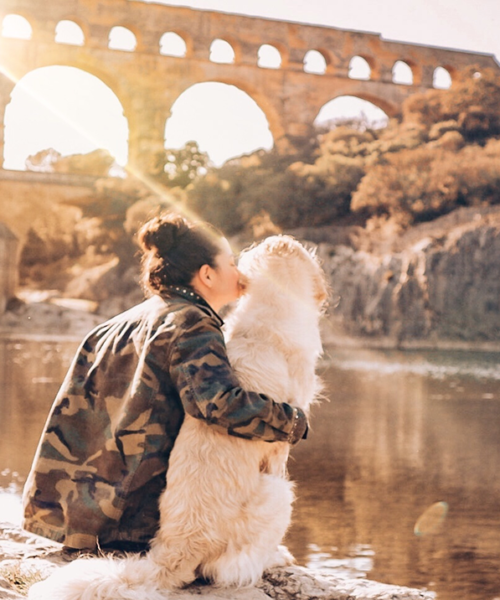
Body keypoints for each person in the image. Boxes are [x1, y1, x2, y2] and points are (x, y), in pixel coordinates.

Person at [22, 213, 308, 552]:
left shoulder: (115, 325)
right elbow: (216, 403)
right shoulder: (193, 323)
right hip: (128, 526)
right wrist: (292, 421)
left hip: (66, 520)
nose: (240, 273)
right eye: (231, 264)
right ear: (207, 274)